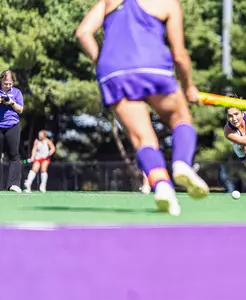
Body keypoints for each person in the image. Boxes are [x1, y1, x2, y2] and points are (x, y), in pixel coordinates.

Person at [76, 0, 209, 216]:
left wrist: (101, 62)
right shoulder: (168, 4)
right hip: (153, 66)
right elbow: (180, 56)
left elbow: (83, 32)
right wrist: (189, 87)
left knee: (143, 139)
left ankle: (162, 185)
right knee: (180, 117)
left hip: (114, 72)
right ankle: (182, 163)